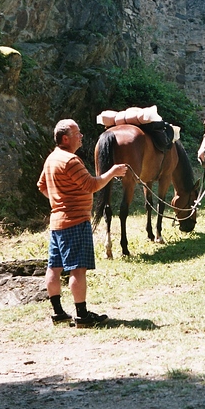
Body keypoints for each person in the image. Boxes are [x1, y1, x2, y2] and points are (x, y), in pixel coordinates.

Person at [37, 119, 128, 328]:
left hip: (57, 223)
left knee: (54, 267)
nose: (81, 136)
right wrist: (112, 172)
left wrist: (58, 202)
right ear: (66, 138)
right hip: (75, 221)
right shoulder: (70, 161)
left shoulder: (52, 158)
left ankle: (58, 313)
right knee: (78, 270)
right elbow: (91, 185)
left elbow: (42, 185)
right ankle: (82, 315)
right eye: (77, 133)